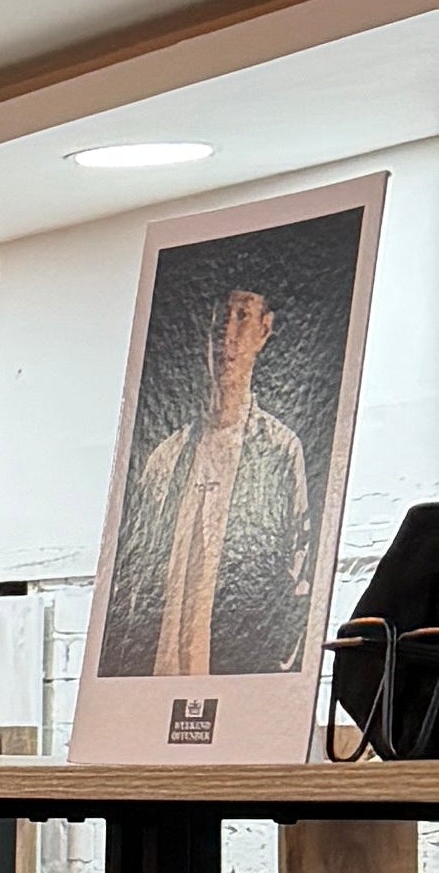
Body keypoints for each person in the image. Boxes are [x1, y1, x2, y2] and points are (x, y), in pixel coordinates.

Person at [105, 284, 317, 678]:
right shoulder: (166, 458)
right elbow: (133, 586)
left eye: (242, 317)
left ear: (265, 330)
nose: (227, 336)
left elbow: (295, 580)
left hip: (237, 681)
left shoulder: (280, 451)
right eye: (220, 319)